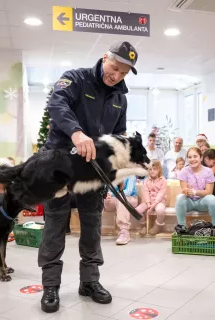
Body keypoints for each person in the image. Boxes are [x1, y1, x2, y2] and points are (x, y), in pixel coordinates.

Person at [38, 41, 138, 313]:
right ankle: (50, 286)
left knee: (92, 225)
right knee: (55, 224)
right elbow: (57, 105)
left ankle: (90, 282)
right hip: (59, 163)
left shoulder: (120, 98)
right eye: (114, 67)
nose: (116, 75)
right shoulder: (75, 79)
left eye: (123, 73)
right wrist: (76, 132)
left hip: (92, 171)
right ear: (105, 58)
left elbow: (118, 135)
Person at [175, 147, 215, 230]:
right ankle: (181, 227)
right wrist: (186, 191)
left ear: (201, 158)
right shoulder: (184, 171)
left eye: (195, 156)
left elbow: (209, 192)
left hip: (202, 202)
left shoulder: (208, 171)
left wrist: (194, 192)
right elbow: (184, 189)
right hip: (189, 202)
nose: (192, 159)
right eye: (189, 157)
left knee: (211, 198)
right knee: (179, 197)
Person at [104, 175, 138, 245]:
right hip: (115, 198)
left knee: (121, 199)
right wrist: (106, 196)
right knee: (100, 200)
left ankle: (124, 232)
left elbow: (128, 191)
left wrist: (111, 194)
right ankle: (92, 230)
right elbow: (107, 189)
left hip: (130, 198)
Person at [136, 160, 167, 235]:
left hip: (159, 201)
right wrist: (149, 204)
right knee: (137, 211)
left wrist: (153, 206)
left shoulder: (163, 180)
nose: (152, 171)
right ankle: (143, 225)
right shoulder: (146, 180)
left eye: (154, 169)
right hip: (148, 202)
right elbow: (145, 193)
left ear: (159, 170)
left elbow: (161, 194)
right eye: (150, 169)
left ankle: (158, 226)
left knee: (160, 210)